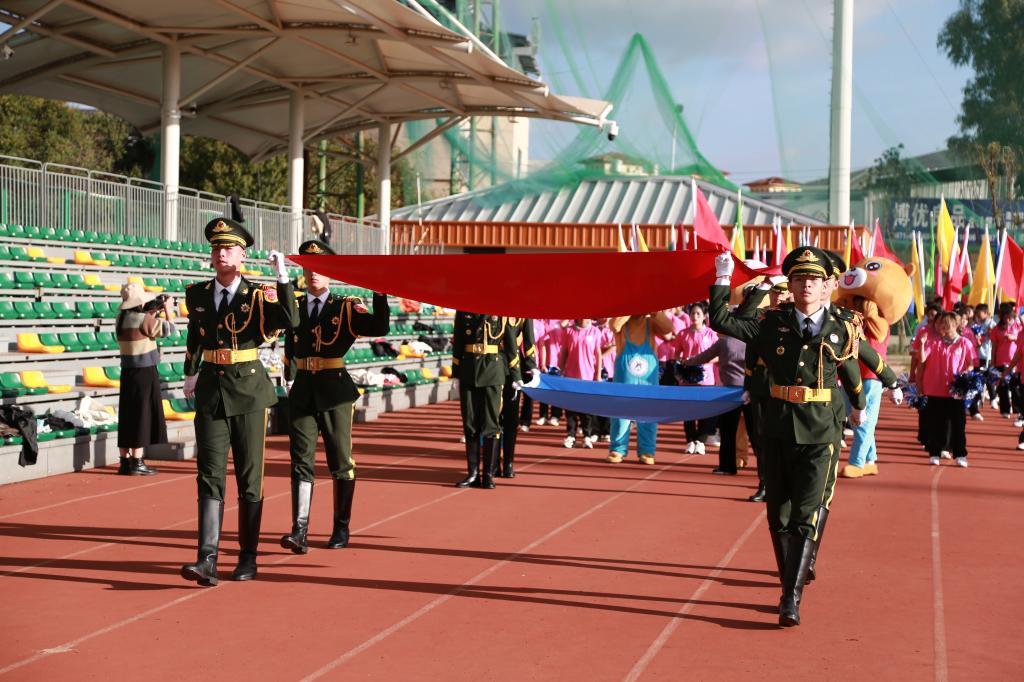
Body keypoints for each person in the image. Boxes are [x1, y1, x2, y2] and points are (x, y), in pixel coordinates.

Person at [709, 246, 867, 627]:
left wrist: (859, 404)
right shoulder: (770, 323)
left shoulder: (843, 326)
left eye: (814, 279)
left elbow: (850, 369)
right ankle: (792, 575)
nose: (806, 285)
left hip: (821, 430)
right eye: (799, 279)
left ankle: (790, 597)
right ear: (790, 286)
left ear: (827, 286)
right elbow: (721, 320)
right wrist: (724, 277)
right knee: (778, 514)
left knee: (805, 514)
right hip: (778, 427)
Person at [179, 215, 298, 586]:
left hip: (248, 392)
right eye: (216, 247)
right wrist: (190, 371)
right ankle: (207, 559)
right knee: (209, 474)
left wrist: (282, 278)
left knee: (249, 476)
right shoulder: (197, 294)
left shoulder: (259, 295)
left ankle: (247, 557)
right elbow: (195, 336)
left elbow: (290, 320)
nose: (221, 253)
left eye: (229, 247)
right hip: (211, 392)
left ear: (242, 255)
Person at [279, 239, 390, 554]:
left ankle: (341, 527)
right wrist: (289, 375)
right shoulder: (295, 304)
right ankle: (299, 530)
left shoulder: (346, 306)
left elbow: (379, 326)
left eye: (320, 267)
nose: (314, 273)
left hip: (335, 390)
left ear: (331, 272)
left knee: (340, 460)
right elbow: (290, 343)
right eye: (308, 267)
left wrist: (379, 290)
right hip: (303, 388)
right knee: (300, 458)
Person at [452, 313, 522, 488]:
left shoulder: (501, 311)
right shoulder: (463, 310)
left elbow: (511, 343)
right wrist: (456, 373)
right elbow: (458, 340)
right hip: (468, 369)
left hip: (493, 370)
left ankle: (488, 475)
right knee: (470, 424)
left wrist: (516, 375)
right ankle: (473, 474)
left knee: (491, 423)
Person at [114, 282, 176, 476]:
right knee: (142, 415)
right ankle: (137, 461)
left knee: (127, 415)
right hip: (144, 371)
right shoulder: (143, 319)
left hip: (128, 371)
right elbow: (169, 330)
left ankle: (125, 461)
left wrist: (151, 313)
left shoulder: (120, 318)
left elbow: (141, 327)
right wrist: (168, 309)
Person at [606, 311, 673, 464]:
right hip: (624, 381)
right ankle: (617, 449)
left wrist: (655, 312)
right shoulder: (622, 323)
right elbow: (614, 326)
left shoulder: (651, 323)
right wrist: (629, 310)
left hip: (647, 382)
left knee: (648, 414)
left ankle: (647, 450)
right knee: (620, 415)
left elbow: (668, 328)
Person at [917, 311, 975, 467]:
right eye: (942, 324)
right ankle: (935, 452)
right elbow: (922, 358)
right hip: (934, 389)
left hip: (956, 391)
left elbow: (972, 364)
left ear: (955, 325)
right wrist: (921, 344)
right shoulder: (933, 342)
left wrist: (966, 373)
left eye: (947, 324)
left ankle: (960, 454)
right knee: (936, 423)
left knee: (958, 424)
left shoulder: (964, 343)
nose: (943, 327)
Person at [675, 303, 719, 454]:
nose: (695, 316)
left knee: (704, 410)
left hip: (706, 379)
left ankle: (700, 440)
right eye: (692, 313)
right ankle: (690, 440)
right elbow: (677, 353)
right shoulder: (683, 334)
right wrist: (682, 362)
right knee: (687, 411)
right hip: (687, 379)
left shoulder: (711, 334)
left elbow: (719, 355)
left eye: (698, 313)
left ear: (704, 316)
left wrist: (703, 361)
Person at [496, 317, 536, 478]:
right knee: (494, 417)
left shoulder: (524, 314)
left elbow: (529, 340)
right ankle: (493, 462)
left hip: (514, 369)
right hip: (493, 365)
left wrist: (532, 365)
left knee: (511, 419)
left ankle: (508, 462)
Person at [559, 319, 604, 449]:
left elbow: (598, 354)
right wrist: (561, 371)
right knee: (570, 410)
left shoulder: (595, 331)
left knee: (586, 410)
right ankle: (571, 436)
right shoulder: (569, 331)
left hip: (588, 377)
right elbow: (564, 351)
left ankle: (587, 436)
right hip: (570, 376)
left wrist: (598, 375)